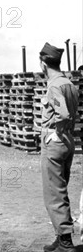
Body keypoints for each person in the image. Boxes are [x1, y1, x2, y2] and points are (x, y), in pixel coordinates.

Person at [38, 43, 79, 252]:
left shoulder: (54, 85)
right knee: (60, 190)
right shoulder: (69, 83)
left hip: (55, 141)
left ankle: (65, 242)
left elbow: (63, 114)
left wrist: (55, 132)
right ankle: (60, 236)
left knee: (54, 193)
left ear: (44, 63)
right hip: (68, 141)